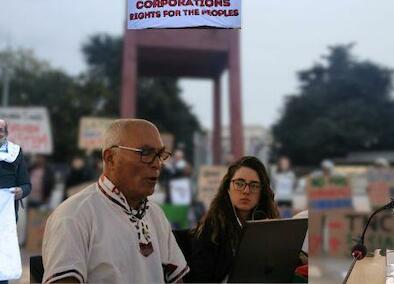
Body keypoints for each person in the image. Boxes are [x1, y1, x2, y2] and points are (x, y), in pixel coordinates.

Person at [42, 119, 189, 283]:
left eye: (160, 155)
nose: (157, 164)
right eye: (145, 153)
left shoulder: (155, 214)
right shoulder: (74, 216)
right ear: (110, 158)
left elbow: (177, 279)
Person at [189, 156, 279, 283]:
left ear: (262, 192)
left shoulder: (269, 224)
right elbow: (200, 278)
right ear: (228, 188)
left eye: (254, 185)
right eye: (239, 184)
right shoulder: (211, 228)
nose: (246, 191)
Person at [0, 119, 31, 219]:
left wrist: (21, 191)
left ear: (6, 133)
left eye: (0, 130)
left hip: (7, 214)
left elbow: (27, 185)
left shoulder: (15, 153)